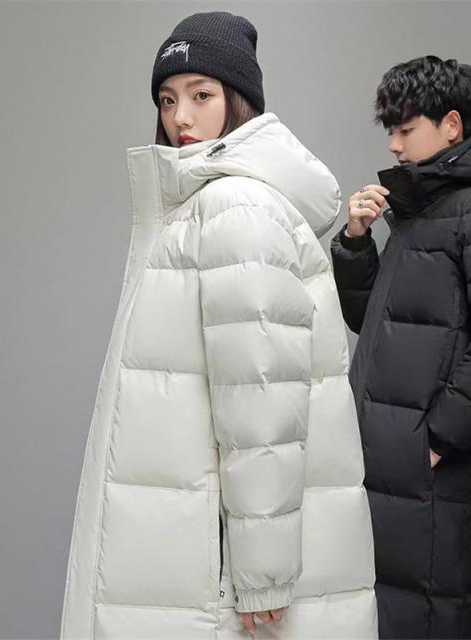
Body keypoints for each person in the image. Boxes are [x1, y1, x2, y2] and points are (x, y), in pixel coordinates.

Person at [59, 11, 377, 639]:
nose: (180, 117)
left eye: (201, 95)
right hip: (201, 555)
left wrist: (264, 577)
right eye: (167, 99)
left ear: (240, 102)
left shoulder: (237, 207)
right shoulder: (206, 206)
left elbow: (262, 406)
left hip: (220, 580)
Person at [330, 56, 471, 639]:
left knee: (435, 617)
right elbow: (375, 324)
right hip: (392, 475)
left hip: (441, 480)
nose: (394, 145)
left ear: (452, 124)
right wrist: (356, 243)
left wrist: (439, 438)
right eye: (391, 131)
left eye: (406, 129)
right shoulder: (420, 212)